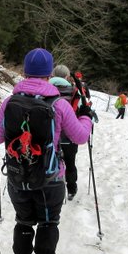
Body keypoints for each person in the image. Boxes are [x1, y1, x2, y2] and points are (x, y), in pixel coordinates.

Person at [0, 49, 93, 254]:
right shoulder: (59, 104)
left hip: (18, 176)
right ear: (49, 74)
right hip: (50, 178)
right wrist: (86, 117)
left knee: (24, 220)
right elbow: (80, 137)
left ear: (25, 72)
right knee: (48, 222)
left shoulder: (10, 102)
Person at [49, 64, 81, 200]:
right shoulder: (74, 92)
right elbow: (78, 112)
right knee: (70, 163)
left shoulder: (45, 89)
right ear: (67, 77)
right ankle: (71, 189)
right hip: (68, 136)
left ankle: (48, 186)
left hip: (48, 135)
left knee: (47, 160)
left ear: (52, 75)